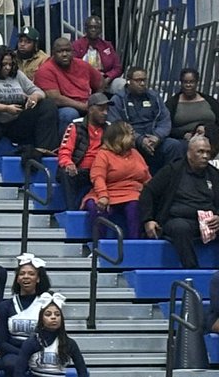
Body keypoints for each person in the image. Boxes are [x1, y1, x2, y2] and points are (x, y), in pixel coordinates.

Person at [139, 134, 219, 270]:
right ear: (189, 153)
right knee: (180, 228)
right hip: (178, 219)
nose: (205, 156)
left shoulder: (214, 174)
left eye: (207, 152)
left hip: (209, 222)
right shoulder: (172, 170)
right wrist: (148, 219)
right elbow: (148, 193)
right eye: (200, 152)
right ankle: (193, 272)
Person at [0, 46, 59, 156]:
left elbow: (39, 91)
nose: (7, 68)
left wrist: (34, 97)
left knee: (48, 105)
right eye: (4, 64)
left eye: (10, 64)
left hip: (16, 122)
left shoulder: (16, 74)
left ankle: (44, 152)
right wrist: (5, 108)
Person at [0, 253, 52, 377]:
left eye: (31, 274)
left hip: (39, 350)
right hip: (13, 351)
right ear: (17, 279)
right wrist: (23, 353)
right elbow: (0, 341)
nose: (26, 277)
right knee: (12, 364)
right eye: (22, 274)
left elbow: (51, 334)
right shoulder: (6, 306)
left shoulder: (46, 303)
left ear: (38, 279)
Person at [82, 120, 149, 243]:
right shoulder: (103, 154)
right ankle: (98, 246)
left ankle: (134, 245)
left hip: (132, 193)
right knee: (94, 206)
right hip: (107, 191)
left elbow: (146, 177)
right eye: (130, 133)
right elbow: (98, 177)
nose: (133, 136)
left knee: (136, 206)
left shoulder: (135, 153)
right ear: (119, 137)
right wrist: (103, 195)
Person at [108, 67, 184, 172]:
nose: (142, 83)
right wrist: (140, 140)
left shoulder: (154, 97)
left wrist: (157, 136)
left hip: (154, 139)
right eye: (138, 80)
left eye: (144, 80)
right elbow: (116, 125)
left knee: (174, 145)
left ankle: (170, 182)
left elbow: (165, 120)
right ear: (129, 81)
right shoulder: (118, 100)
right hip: (131, 141)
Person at [36, 38, 104, 136]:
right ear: (53, 53)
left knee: (108, 109)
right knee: (69, 114)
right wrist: (85, 107)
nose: (64, 54)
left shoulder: (82, 64)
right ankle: (62, 148)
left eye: (67, 50)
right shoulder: (45, 70)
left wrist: (96, 100)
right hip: (62, 107)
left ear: (72, 51)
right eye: (60, 51)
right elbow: (56, 99)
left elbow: (100, 81)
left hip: (86, 103)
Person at [72, 16, 122, 92]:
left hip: (105, 79)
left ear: (101, 30)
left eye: (96, 27)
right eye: (90, 27)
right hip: (84, 79)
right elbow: (73, 66)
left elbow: (117, 67)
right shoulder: (77, 45)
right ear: (85, 28)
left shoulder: (107, 45)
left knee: (121, 83)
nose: (93, 30)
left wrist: (107, 78)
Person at [168, 69, 219, 141]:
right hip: (184, 140)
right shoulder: (172, 103)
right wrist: (183, 135)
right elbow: (166, 126)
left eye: (192, 82)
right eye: (185, 82)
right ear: (181, 83)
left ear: (197, 83)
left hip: (211, 137)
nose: (188, 85)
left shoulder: (210, 101)